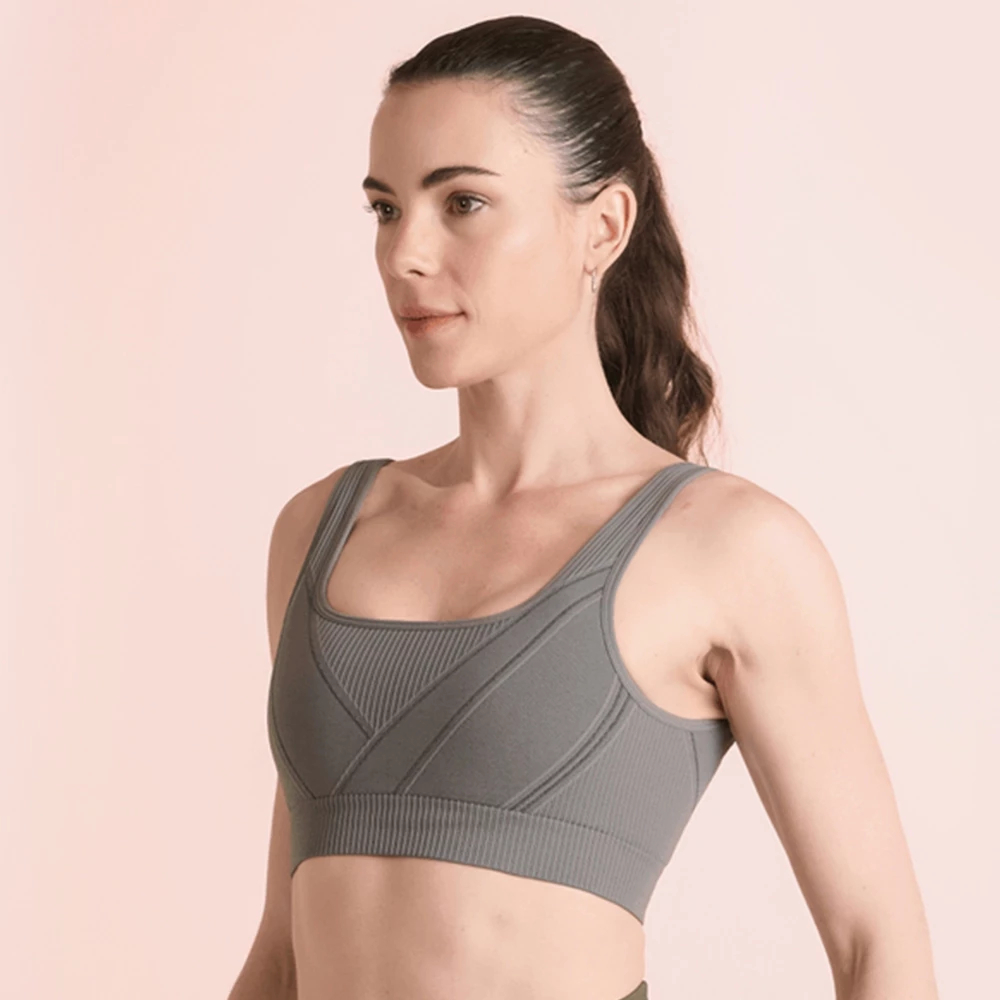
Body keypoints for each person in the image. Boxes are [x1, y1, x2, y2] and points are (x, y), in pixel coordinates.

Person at [229, 15, 938, 1000]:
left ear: (603, 226)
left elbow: (878, 950)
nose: (404, 255)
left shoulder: (729, 549)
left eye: (462, 202)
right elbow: (281, 955)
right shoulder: (322, 530)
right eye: (386, 209)